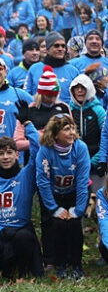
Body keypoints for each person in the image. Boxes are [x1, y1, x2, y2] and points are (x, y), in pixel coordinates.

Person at [0, 135, 42, 279]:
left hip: (21, 230)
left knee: (23, 238)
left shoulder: (26, 174)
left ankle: (22, 271)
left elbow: (36, 150)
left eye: (9, 152)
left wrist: (27, 123)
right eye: (1, 153)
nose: (5, 157)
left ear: (17, 155)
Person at [35, 114, 90, 279]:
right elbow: (42, 181)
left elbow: (82, 181)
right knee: (57, 225)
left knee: (74, 225)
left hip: (74, 193)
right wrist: (54, 208)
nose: (72, 132)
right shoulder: (45, 151)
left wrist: (78, 209)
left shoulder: (80, 148)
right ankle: (60, 264)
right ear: (55, 133)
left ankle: (76, 265)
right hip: (54, 194)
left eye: (73, 128)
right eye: (67, 129)